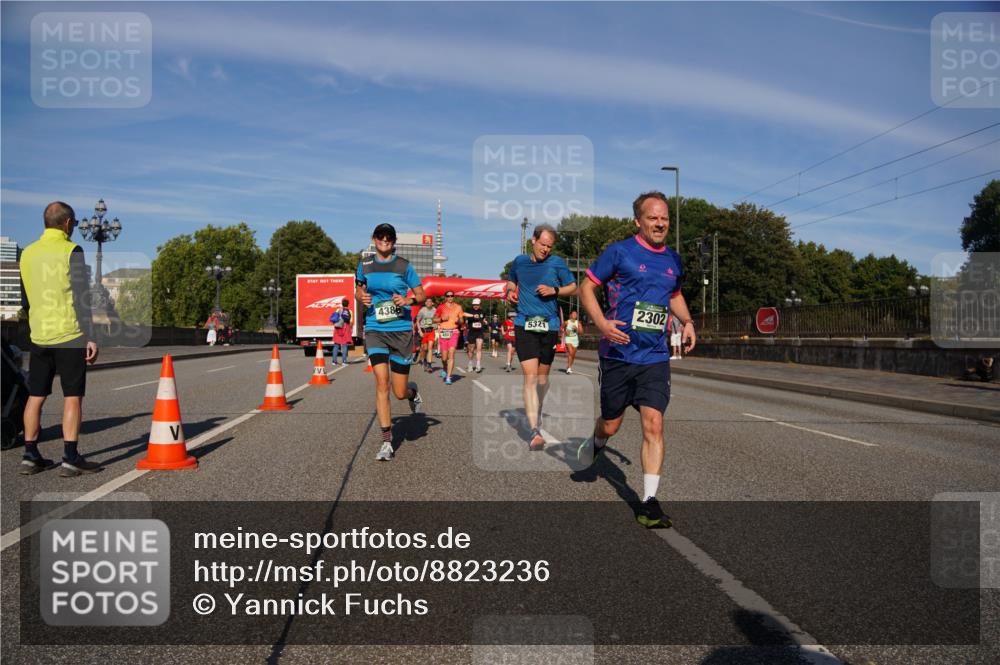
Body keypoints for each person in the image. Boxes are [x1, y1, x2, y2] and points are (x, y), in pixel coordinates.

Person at [579, 191, 697, 529]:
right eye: (653, 218)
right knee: (611, 424)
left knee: (654, 423)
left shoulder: (673, 260)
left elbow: (674, 295)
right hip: (617, 353)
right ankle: (597, 441)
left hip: (654, 356)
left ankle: (649, 502)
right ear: (638, 221)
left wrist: (687, 322)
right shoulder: (619, 252)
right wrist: (601, 324)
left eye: (664, 218)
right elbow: (587, 287)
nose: (660, 223)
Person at [18, 201, 102, 477]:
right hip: (69, 334)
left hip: (39, 334)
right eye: (75, 224)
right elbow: (81, 297)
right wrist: (89, 336)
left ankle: (30, 455)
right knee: (73, 397)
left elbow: (25, 299)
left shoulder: (28, 253)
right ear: (67, 224)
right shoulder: (71, 250)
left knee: (36, 395)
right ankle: (69, 457)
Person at [356, 223, 426, 462]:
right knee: (382, 383)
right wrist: (361, 296)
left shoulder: (404, 265)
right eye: (380, 236)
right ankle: (387, 442)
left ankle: (412, 393)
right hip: (375, 328)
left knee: (398, 391)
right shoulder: (364, 264)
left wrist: (407, 300)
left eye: (389, 237)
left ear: (394, 241)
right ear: (373, 239)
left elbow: (421, 295)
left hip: (401, 331)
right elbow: (358, 289)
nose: (384, 240)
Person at [505, 224, 577, 450]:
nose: (545, 249)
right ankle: (534, 429)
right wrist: (509, 293)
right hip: (524, 323)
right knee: (530, 377)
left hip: (549, 326)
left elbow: (573, 287)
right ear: (533, 240)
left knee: (542, 380)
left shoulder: (557, 264)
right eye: (542, 244)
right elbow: (511, 281)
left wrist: (554, 291)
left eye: (549, 246)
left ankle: (537, 405)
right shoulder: (519, 262)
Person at [433, 291, 464, 384]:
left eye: (452, 295)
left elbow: (462, 320)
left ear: (454, 297)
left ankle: (448, 377)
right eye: (448, 296)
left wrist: (459, 320)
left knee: (451, 354)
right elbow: (434, 319)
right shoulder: (441, 307)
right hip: (443, 332)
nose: (450, 297)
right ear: (445, 297)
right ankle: (445, 367)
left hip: (454, 332)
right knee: (444, 357)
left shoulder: (458, 307)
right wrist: (441, 319)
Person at [464, 298, 488, 373]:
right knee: (471, 349)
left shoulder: (482, 312)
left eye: (477, 305)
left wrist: (485, 322)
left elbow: (484, 319)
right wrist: (473, 316)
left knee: (479, 348)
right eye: (474, 305)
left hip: (480, 332)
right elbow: (463, 313)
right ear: (472, 305)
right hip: (471, 332)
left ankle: (478, 365)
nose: (476, 306)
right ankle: (470, 363)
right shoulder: (469, 311)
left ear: (479, 305)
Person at [415, 297, 437, 372]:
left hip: (431, 331)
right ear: (425, 303)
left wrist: (438, 329)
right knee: (425, 349)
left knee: (430, 347)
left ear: (432, 303)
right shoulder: (422, 310)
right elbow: (417, 321)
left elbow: (438, 320)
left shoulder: (435, 310)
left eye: (429, 301)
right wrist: (420, 331)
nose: (428, 303)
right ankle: (424, 360)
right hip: (424, 331)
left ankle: (429, 365)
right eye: (427, 301)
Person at [330, 298, 353, 366]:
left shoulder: (338, 310)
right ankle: (344, 361)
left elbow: (334, 319)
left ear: (342, 304)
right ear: (348, 304)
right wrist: (350, 330)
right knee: (344, 345)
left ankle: (334, 361)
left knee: (336, 345)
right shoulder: (350, 311)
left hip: (338, 328)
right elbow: (351, 322)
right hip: (346, 328)